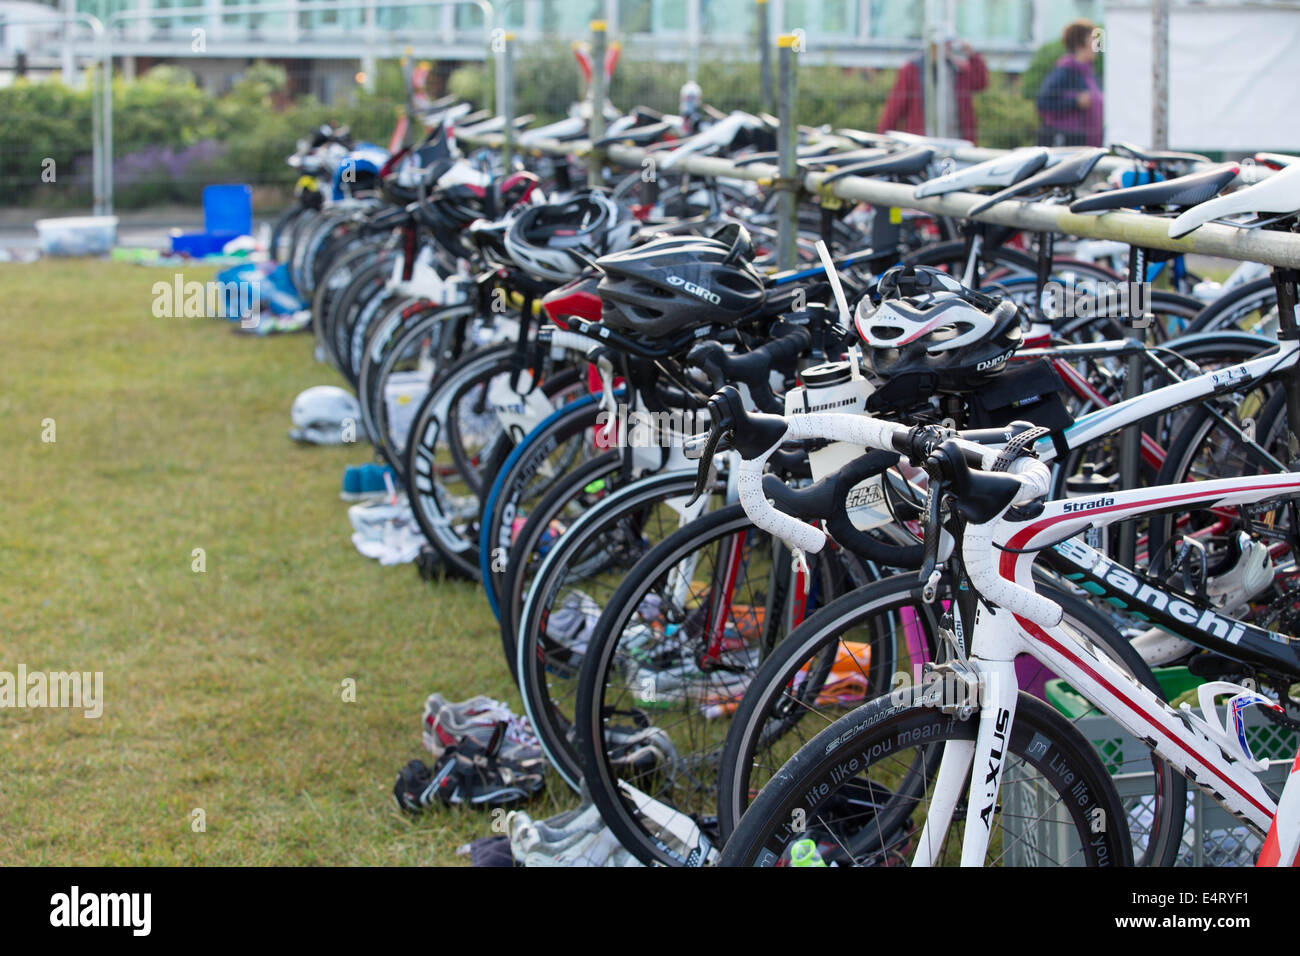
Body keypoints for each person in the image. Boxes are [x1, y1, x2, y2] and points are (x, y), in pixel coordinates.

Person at [878, 39, 988, 143]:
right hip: (921, 143)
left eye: (948, 44)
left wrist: (972, 55)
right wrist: (883, 139)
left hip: (956, 141)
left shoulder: (958, 70)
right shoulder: (912, 70)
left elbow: (980, 83)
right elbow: (895, 108)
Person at [1035, 19, 1104, 147]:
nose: (1097, 46)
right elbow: (1043, 102)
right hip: (1069, 143)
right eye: (1093, 40)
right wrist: (1075, 102)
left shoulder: (1090, 74)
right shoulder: (1064, 72)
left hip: (1088, 142)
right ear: (1079, 44)